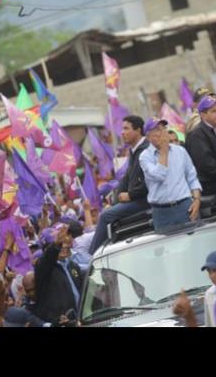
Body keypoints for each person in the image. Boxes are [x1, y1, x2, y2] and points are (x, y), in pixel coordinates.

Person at [88, 115, 151, 255]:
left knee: (105, 216)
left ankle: (92, 255)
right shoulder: (134, 151)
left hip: (145, 200)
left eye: (126, 128)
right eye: (122, 129)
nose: (122, 132)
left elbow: (151, 180)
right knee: (108, 210)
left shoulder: (146, 150)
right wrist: (115, 201)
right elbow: (126, 179)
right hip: (136, 199)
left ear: (138, 130)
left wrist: (130, 195)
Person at [139, 117, 203, 231]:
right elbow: (159, 175)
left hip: (184, 206)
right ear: (148, 136)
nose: (162, 132)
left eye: (164, 128)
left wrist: (197, 200)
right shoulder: (144, 157)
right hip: (161, 212)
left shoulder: (180, 151)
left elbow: (192, 177)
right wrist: (164, 151)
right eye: (157, 130)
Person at [33, 224, 84, 325]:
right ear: (46, 248)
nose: (64, 245)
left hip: (79, 321)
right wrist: (56, 244)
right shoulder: (43, 269)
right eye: (60, 243)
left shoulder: (73, 266)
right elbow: (47, 259)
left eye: (65, 242)